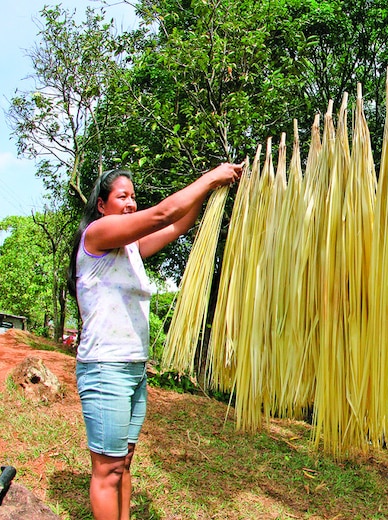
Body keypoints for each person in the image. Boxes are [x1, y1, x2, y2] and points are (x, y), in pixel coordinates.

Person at [68, 163, 242, 520]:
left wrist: (209, 193)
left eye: (133, 196)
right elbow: (163, 213)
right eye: (122, 197)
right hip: (105, 368)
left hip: (133, 368)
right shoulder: (97, 234)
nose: (131, 203)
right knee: (108, 470)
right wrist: (209, 177)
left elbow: (177, 224)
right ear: (101, 205)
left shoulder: (130, 249)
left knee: (124, 462)